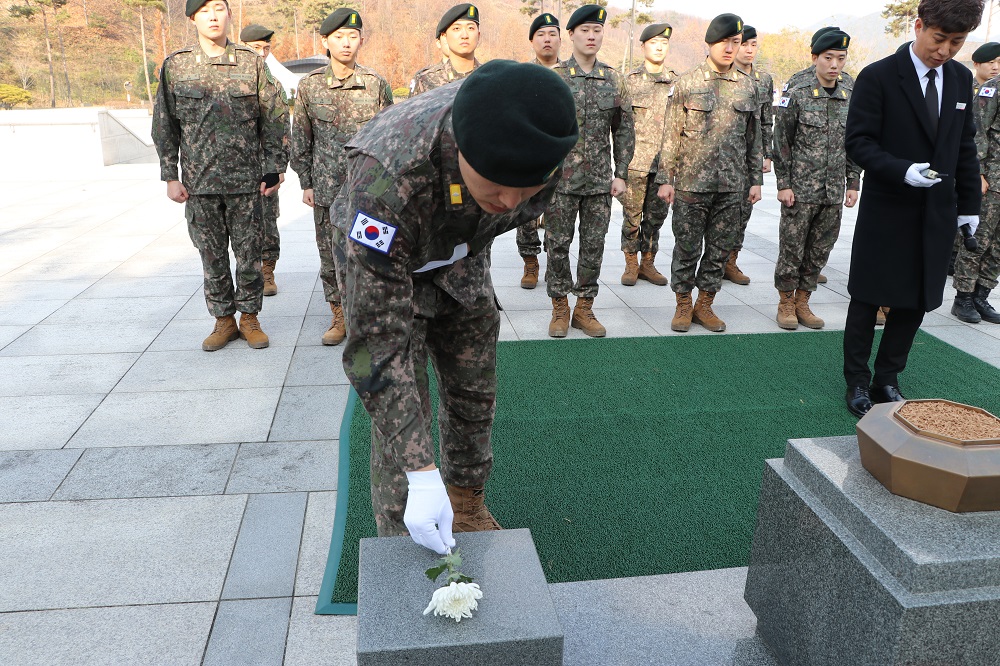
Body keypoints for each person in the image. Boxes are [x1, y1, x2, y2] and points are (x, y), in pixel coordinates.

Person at [332, 61, 578, 551]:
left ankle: (465, 503)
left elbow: (509, 197)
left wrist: (484, 212)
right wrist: (424, 475)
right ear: (462, 150)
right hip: (389, 254)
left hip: (459, 255)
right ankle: (406, 533)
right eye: (496, 186)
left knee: (474, 386)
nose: (511, 201)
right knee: (402, 407)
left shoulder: (547, 141)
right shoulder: (384, 184)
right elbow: (372, 352)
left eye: (525, 190)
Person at [843, 0, 983, 418]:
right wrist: (901, 170)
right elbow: (859, 142)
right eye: (938, 39)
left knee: (916, 298)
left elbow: (964, 145)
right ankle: (856, 379)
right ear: (919, 25)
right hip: (889, 206)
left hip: (936, 209)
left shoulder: (959, 79)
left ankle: (888, 377)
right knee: (869, 297)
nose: (944, 51)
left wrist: (968, 205)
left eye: (956, 43)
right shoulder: (879, 76)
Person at [152, 0, 288, 351]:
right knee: (210, 256)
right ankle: (223, 321)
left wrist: (274, 167)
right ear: (193, 18)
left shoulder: (251, 62)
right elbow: (164, 125)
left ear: (229, 14)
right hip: (199, 185)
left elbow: (274, 117)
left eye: (219, 8)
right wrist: (170, 175)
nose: (213, 16)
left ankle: (250, 318)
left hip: (248, 183)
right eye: (205, 11)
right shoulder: (176, 66)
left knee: (249, 255)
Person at [292, 8, 393, 346]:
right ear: (326, 41)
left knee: (373, 250)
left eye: (353, 36)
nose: (347, 43)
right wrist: (305, 182)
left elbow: (390, 136)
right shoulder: (310, 87)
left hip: (368, 190)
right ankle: (339, 314)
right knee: (329, 254)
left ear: (361, 39)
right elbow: (301, 138)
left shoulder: (376, 84)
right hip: (326, 187)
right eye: (339, 37)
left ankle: (370, 311)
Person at [656, 13, 762, 333]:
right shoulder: (687, 83)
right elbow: (671, 134)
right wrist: (665, 178)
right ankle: (683, 304)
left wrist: (755, 179)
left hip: (732, 185)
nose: (730, 48)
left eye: (735, 42)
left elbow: (754, 138)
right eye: (724, 42)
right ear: (710, 43)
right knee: (687, 247)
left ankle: (705, 304)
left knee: (719, 248)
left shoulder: (747, 87)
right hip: (691, 183)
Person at [545, 5, 634, 338]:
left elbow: (624, 129)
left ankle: (584, 308)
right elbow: (539, 129)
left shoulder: (613, 79)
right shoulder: (554, 78)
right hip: (559, 181)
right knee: (556, 244)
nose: (592, 36)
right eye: (584, 30)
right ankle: (559, 306)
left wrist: (621, 172)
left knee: (593, 246)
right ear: (571, 35)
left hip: (598, 182)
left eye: (597, 30)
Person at [773, 29, 860, 330]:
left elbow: (855, 141)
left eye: (841, 58)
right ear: (815, 58)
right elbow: (782, 140)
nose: (835, 64)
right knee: (792, 247)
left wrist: (853, 182)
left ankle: (803, 300)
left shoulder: (850, 89)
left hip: (834, 188)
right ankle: (785, 301)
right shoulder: (796, 90)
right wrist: (783, 183)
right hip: (801, 188)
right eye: (828, 58)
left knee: (821, 248)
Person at [618, 22, 676, 287]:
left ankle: (648, 263)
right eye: (654, 43)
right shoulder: (629, 82)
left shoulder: (677, 82)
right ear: (643, 47)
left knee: (656, 218)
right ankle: (631, 263)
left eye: (663, 43)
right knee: (632, 217)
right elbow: (619, 125)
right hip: (635, 163)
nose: (659, 47)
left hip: (664, 166)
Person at [953, 47, 1000, 324]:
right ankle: (964, 298)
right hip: (991, 179)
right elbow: (977, 132)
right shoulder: (992, 90)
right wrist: (978, 173)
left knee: (998, 246)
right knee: (978, 239)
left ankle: (982, 294)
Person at [240, 23, 287, 298]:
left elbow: (283, 127)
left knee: (268, 219)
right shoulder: (229, 80)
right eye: (256, 48)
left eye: (266, 48)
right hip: (237, 166)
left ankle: (267, 270)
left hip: (266, 164)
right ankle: (248, 269)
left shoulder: (273, 85)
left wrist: (278, 168)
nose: (262, 54)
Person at [515, 12, 562, 290]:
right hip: (530, 159)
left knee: (558, 218)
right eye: (541, 35)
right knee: (526, 214)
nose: (547, 39)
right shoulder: (521, 75)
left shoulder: (571, 74)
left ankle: (556, 268)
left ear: (560, 39)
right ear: (532, 40)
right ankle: (530, 262)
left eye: (552, 34)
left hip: (563, 161)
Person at [725, 24, 774, 286]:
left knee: (745, 209)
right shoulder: (724, 75)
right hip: (725, 156)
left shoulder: (763, 80)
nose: (749, 50)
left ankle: (731, 261)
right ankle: (714, 259)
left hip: (751, 156)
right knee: (721, 212)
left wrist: (767, 153)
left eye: (753, 44)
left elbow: (766, 121)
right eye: (744, 44)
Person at [410, 4, 482, 96]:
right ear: (444, 37)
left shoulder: (490, 78)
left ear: (478, 35)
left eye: (470, 28)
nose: (464, 35)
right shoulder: (426, 79)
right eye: (457, 28)